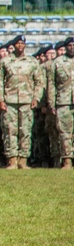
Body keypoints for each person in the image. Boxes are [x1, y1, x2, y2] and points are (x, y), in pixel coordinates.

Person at [0, 35, 43, 169]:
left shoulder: (32, 62)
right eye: (18, 44)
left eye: (22, 43)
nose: (20, 46)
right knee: (10, 131)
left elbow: (39, 82)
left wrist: (36, 98)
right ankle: (12, 160)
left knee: (25, 131)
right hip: (9, 101)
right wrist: (0, 99)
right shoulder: (5, 62)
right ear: (13, 45)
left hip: (26, 101)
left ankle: (23, 160)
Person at [45, 37, 74, 169]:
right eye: (69, 45)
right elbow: (51, 85)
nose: (72, 47)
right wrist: (51, 103)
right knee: (64, 133)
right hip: (63, 102)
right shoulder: (57, 63)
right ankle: (67, 160)